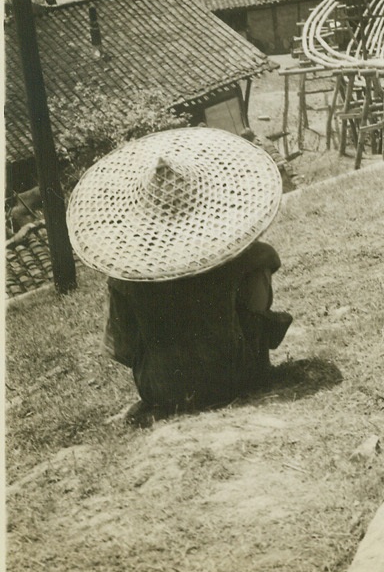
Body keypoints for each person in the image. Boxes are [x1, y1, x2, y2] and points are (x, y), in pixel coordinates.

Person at [67, 127, 292, 423]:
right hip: (237, 375)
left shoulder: (125, 276)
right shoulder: (251, 257)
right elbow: (258, 306)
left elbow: (123, 349)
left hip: (161, 390)